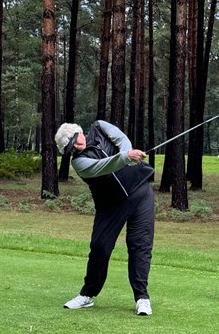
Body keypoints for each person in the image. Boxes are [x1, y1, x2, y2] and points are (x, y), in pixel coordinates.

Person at [55, 120, 156, 316]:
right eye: (71, 148)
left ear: (80, 132)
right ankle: (87, 295)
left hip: (140, 193)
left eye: (75, 141)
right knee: (100, 247)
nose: (76, 146)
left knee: (140, 245)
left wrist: (128, 154)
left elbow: (121, 138)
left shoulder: (100, 126)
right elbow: (105, 165)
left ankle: (142, 298)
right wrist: (126, 157)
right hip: (111, 205)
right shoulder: (80, 163)